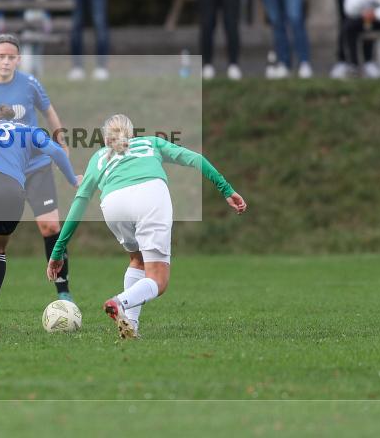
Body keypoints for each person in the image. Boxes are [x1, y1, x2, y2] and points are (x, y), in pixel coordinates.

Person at [47, 115, 246, 339]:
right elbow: (195, 159)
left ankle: (130, 325)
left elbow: (79, 202)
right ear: (132, 134)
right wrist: (226, 189)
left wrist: (57, 251)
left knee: (138, 260)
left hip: (113, 204)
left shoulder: (98, 158)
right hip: (150, 196)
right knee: (159, 280)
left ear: (105, 139)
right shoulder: (151, 142)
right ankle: (120, 301)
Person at [0, 34, 74, 302]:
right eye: (2, 56)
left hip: (35, 165)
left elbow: (49, 111)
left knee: (50, 226)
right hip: (0, 171)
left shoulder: (30, 84)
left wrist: (61, 141)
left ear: (19, 59)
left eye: (12, 57)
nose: (6, 62)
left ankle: (63, 292)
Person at [0, 104, 79, 333]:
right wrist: (73, 180)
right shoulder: (29, 131)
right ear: (17, 117)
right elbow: (57, 152)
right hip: (10, 189)